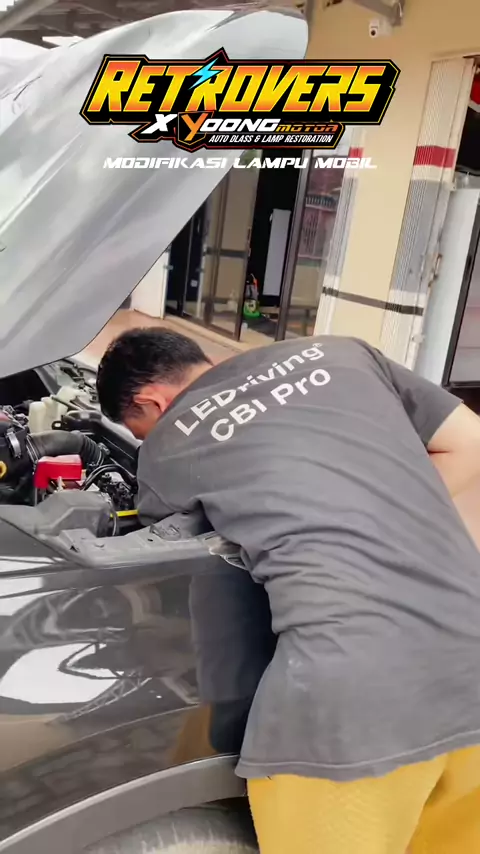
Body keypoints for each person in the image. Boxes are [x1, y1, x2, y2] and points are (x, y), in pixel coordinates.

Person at [97, 327, 480, 854]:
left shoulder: (169, 446)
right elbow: (469, 443)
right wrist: (373, 516)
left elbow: (203, 596)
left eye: (139, 430)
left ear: (151, 402)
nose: (146, 440)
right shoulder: (343, 352)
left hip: (352, 704)